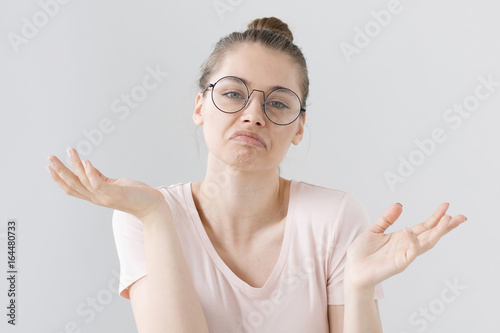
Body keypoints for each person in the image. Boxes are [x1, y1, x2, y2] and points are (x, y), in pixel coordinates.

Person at [46, 17, 467, 333]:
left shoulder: (333, 215)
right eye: (233, 93)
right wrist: (156, 215)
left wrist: (356, 289)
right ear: (199, 107)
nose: (253, 115)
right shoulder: (141, 215)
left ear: (299, 128)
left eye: (279, 103)